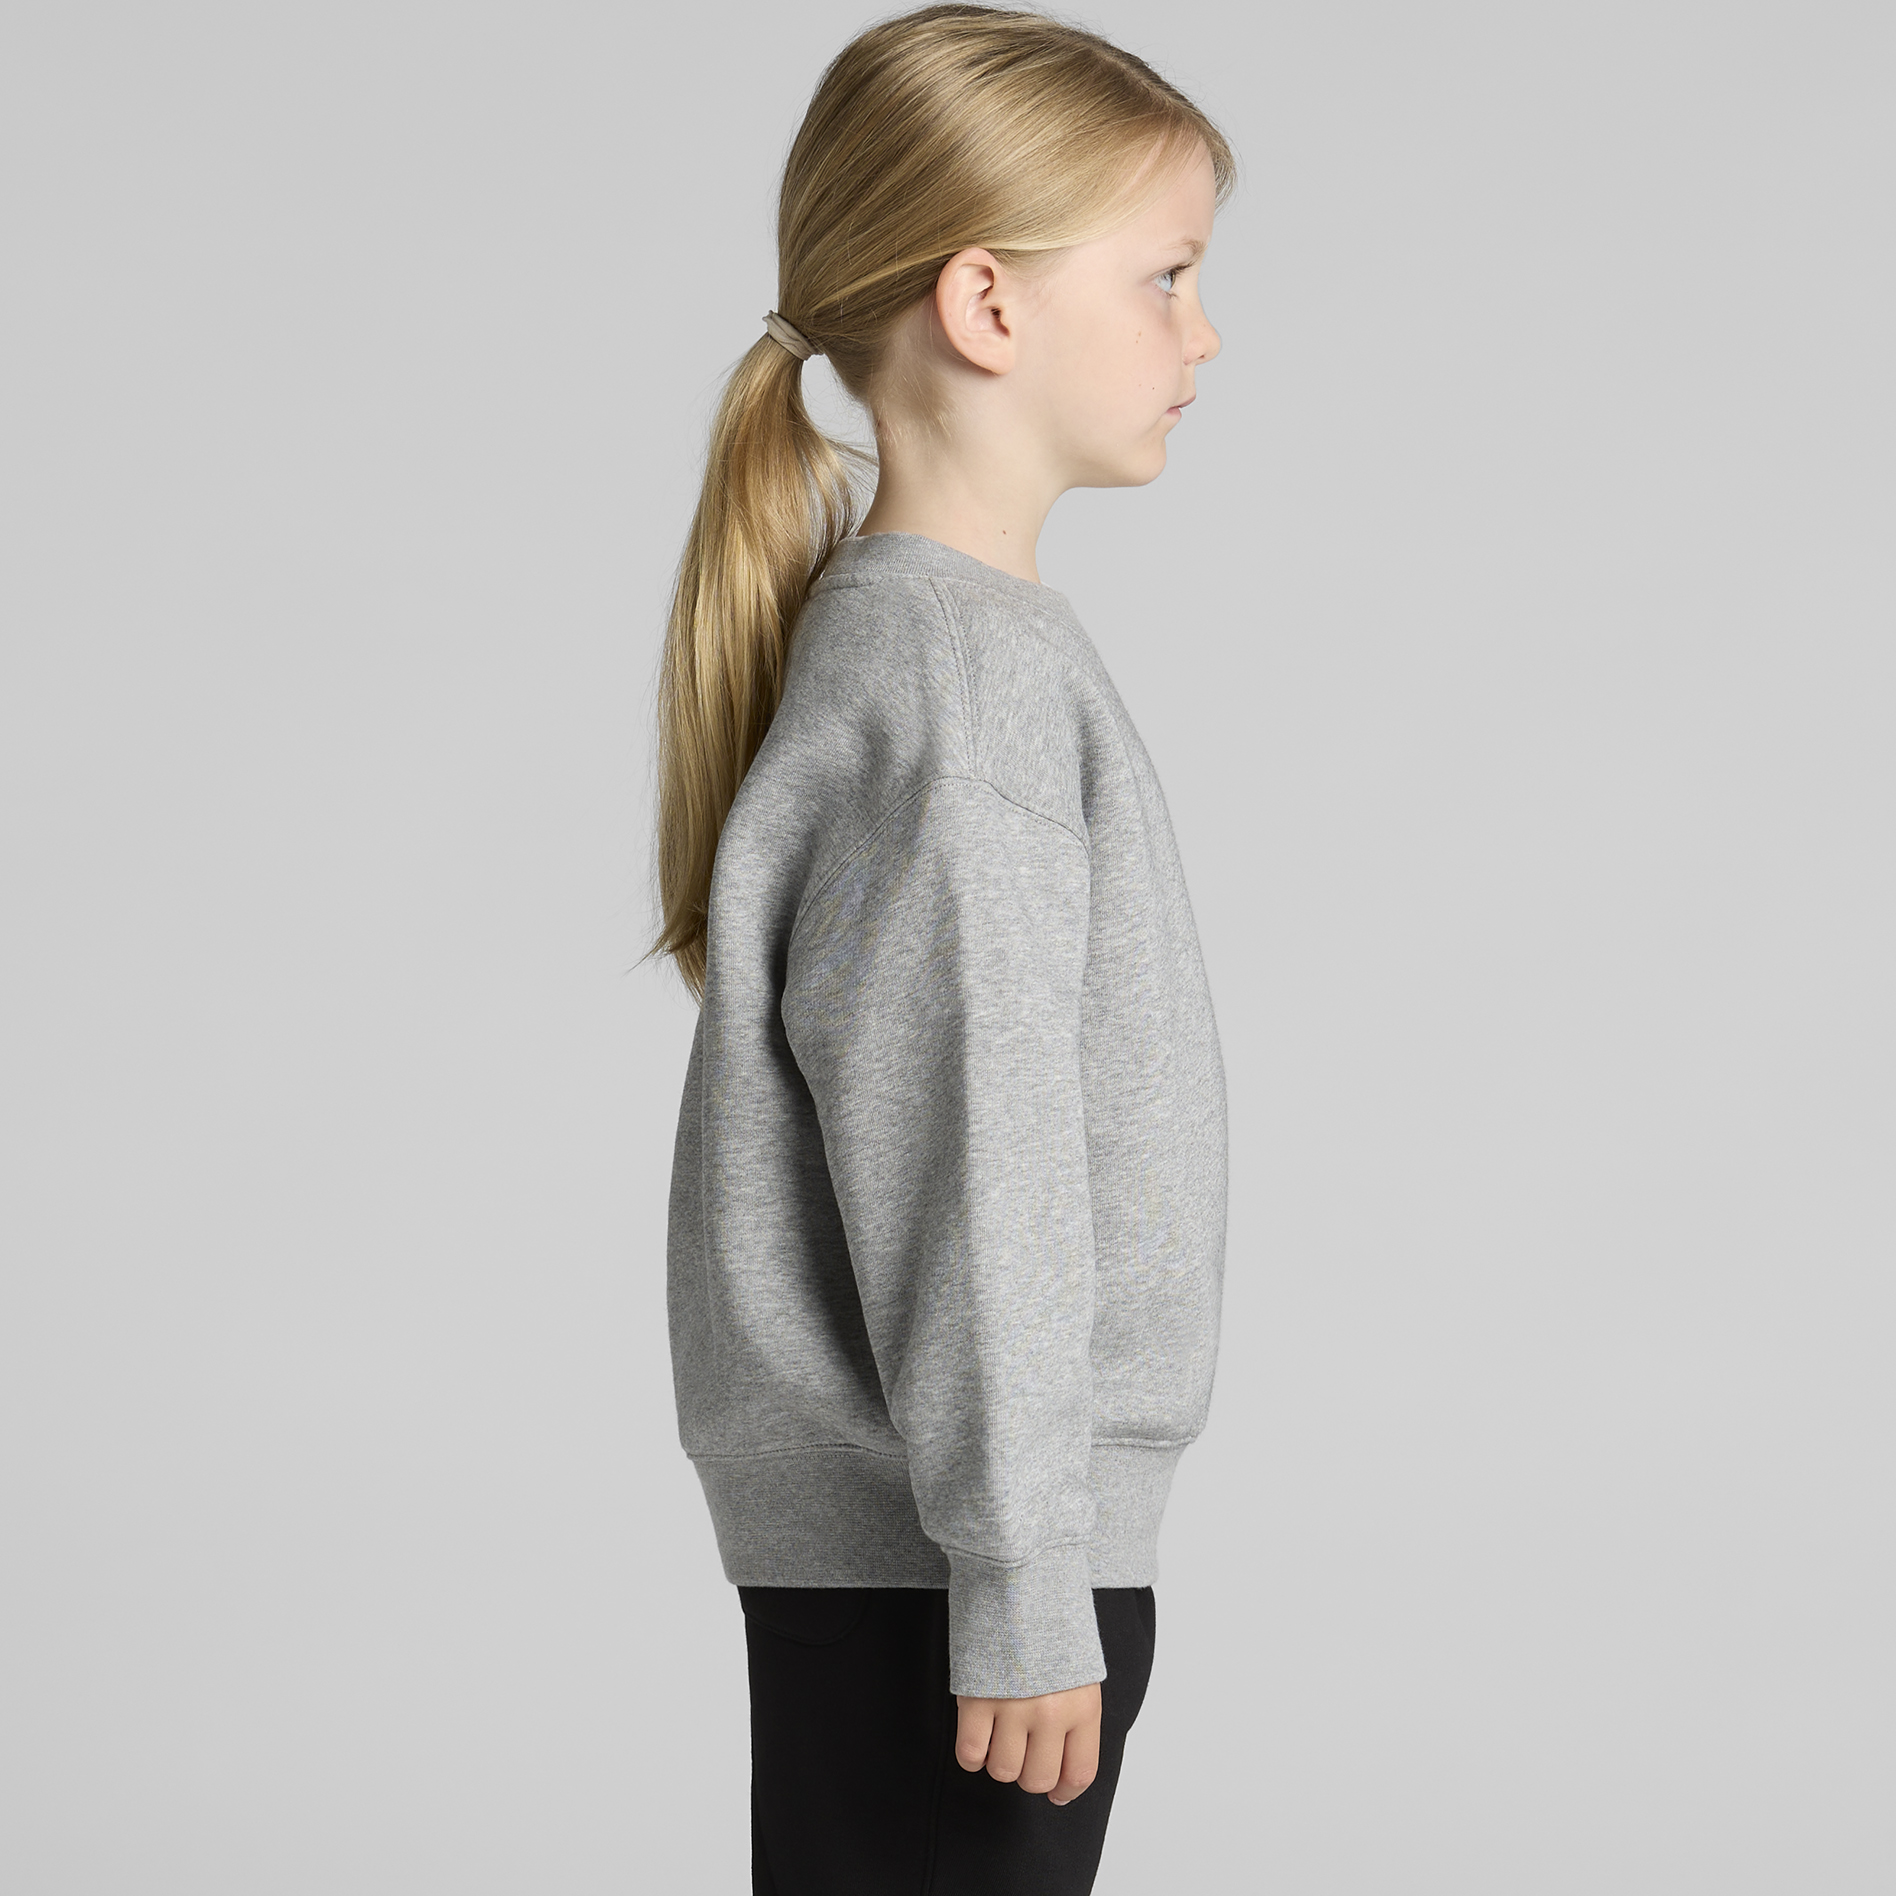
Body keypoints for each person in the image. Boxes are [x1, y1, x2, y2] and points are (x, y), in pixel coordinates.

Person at [651, 7, 1233, 1890]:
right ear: (986, 303)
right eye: (1165, 276)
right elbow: (976, 1151)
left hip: (946, 1552)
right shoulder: (959, 685)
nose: (1203, 335)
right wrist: (1021, 1571)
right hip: (955, 1569)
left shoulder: (946, 649)